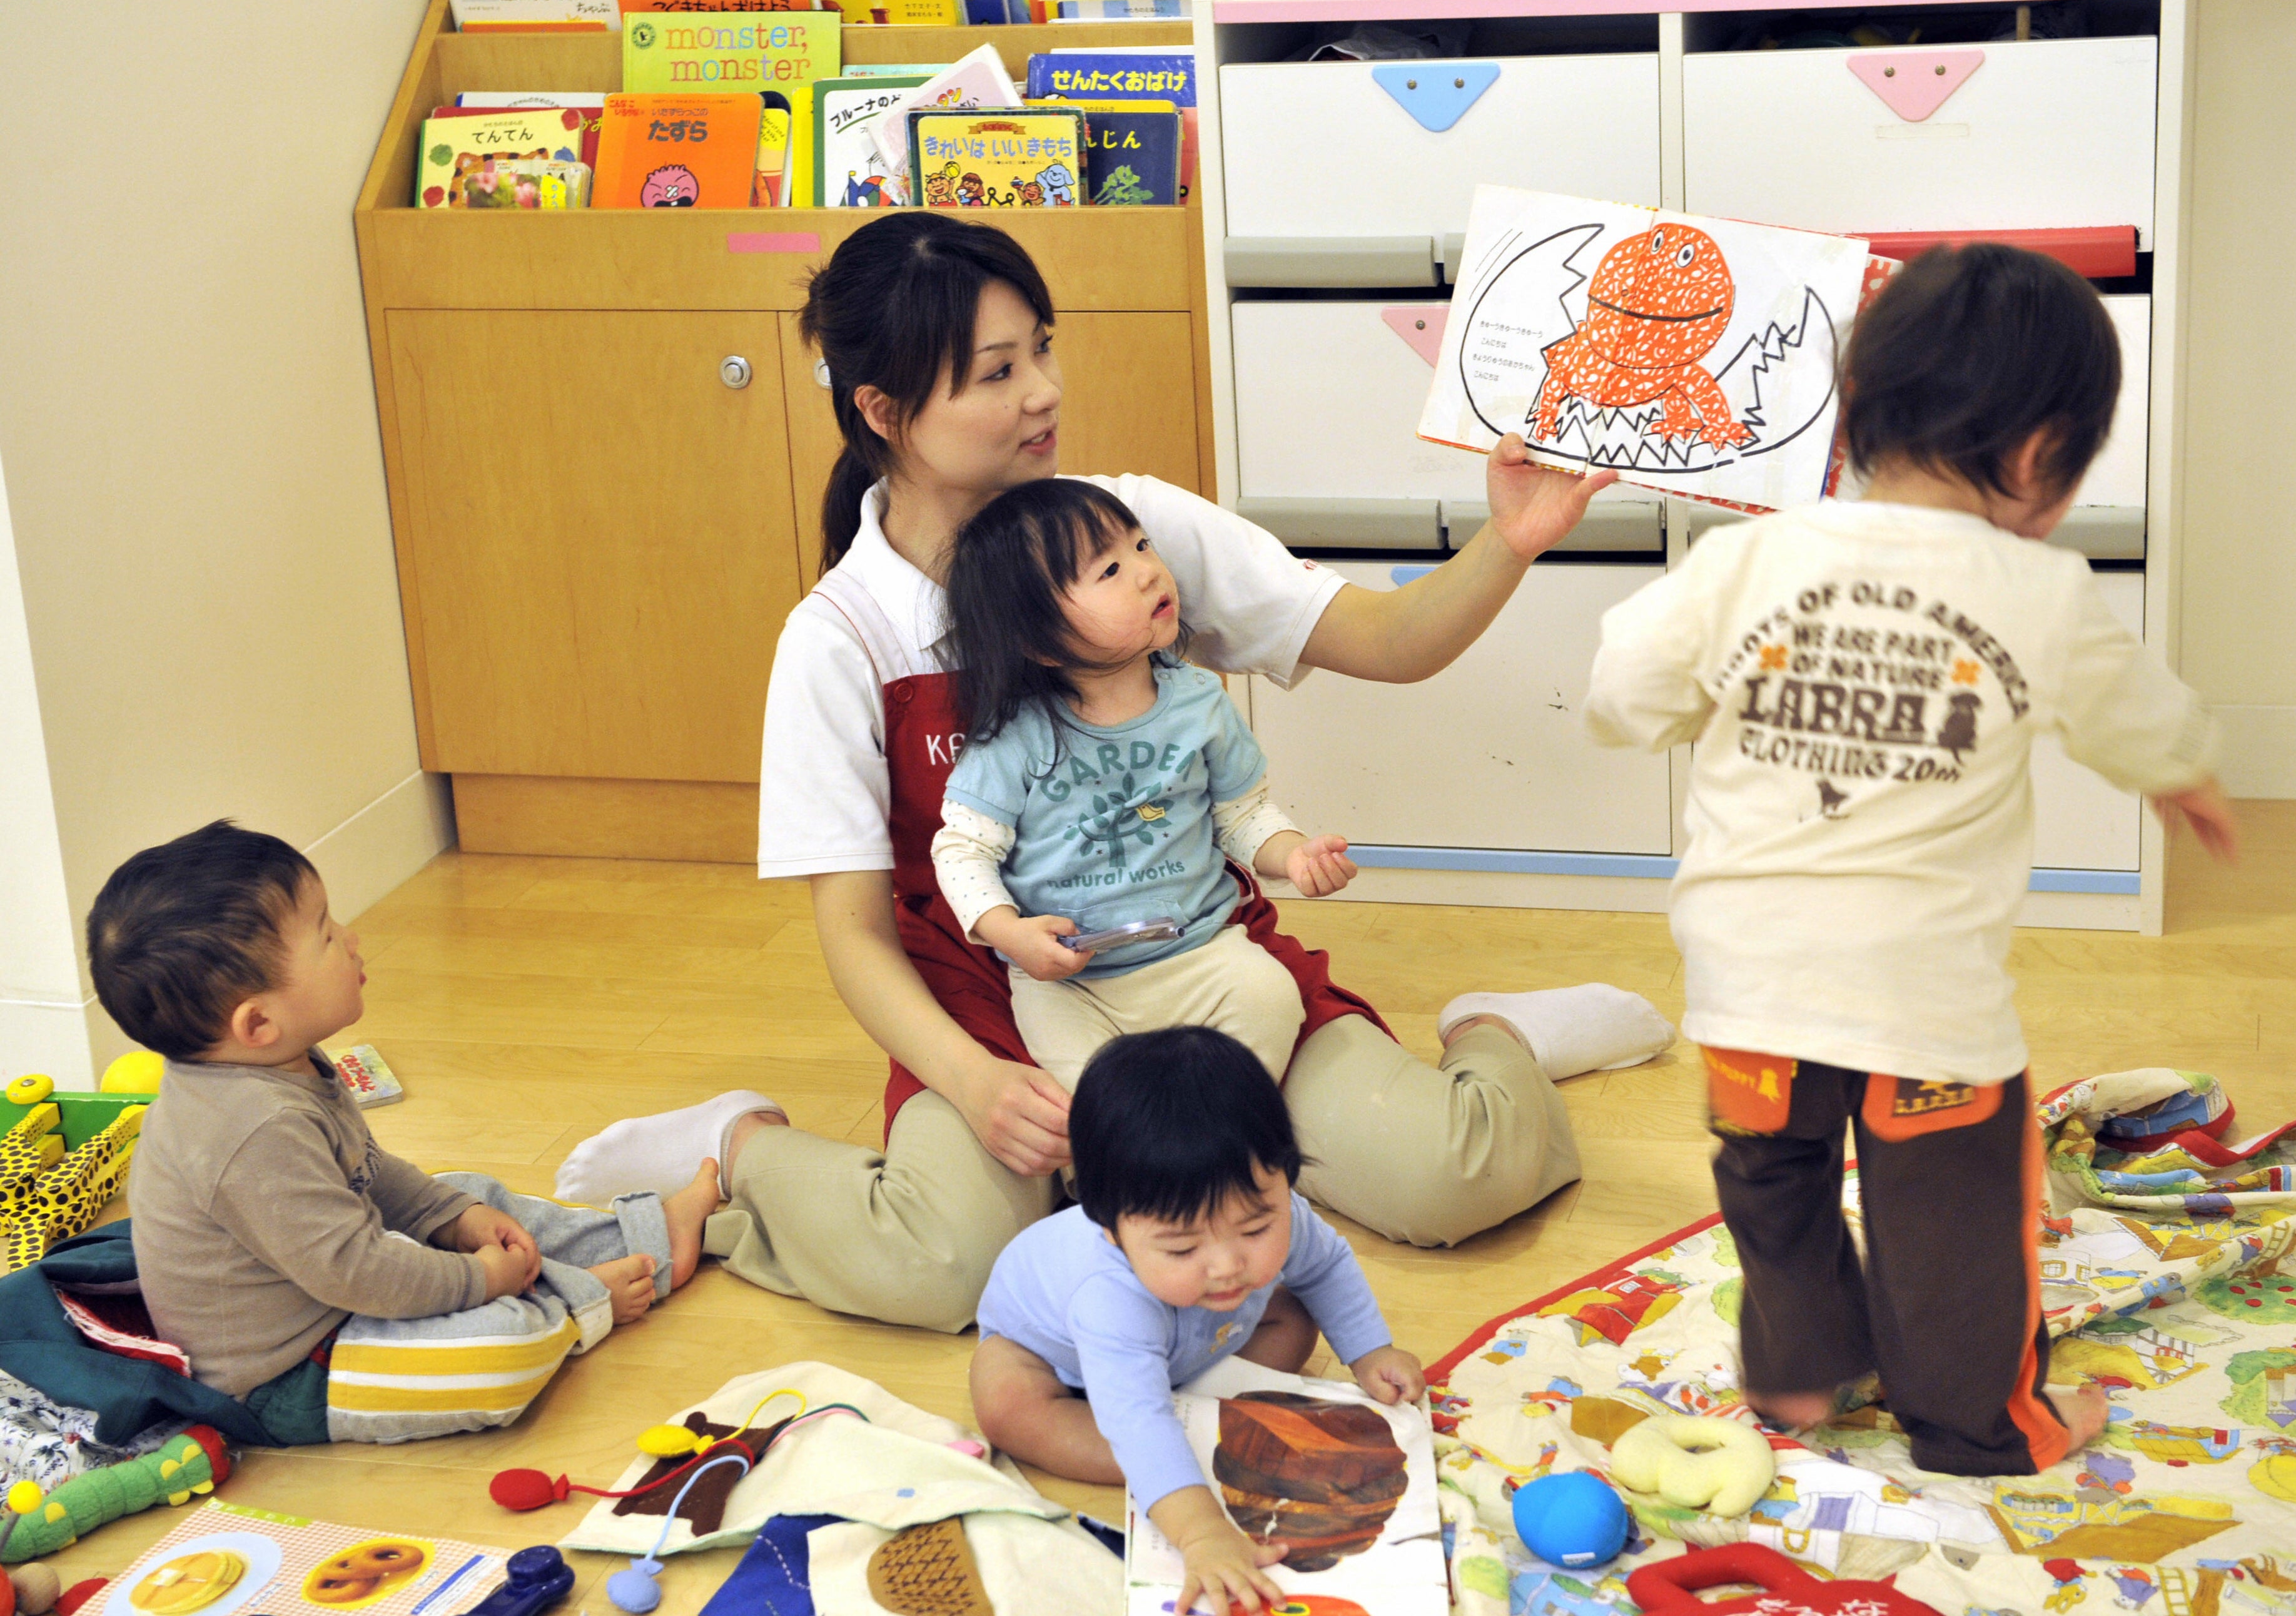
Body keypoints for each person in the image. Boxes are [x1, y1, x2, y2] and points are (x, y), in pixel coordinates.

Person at [555, 212, 1673, 1332]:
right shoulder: (839, 637)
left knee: (1454, 1177)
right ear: (884, 413)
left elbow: (1388, 640)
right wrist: (975, 1079)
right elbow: (852, 932)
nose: (1042, 390)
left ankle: (1500, 1035)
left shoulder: (1129, 530)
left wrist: (1512, 540)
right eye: (997, 371)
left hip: (1198, 972)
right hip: (993, 1008)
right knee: (946, 1269)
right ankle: (738, 1145)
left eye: (1042, 348)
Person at [1581, 242, 2239, 1476]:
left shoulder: (1743, 558)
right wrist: (2186, 775)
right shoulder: (2034, 590)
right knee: (1949, 1219)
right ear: (2040, 454)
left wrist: (1691, 706)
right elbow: (2135, 713)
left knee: (1770, 1184)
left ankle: (1796, 1374)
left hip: (1744, 981)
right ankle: (1976, 1424)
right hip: (1922, 999)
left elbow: (1622, 689)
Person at [94, 821, 719, 1446]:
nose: (352, 939)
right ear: (258, 1022)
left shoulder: (276, 1066)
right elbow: (361, 1273)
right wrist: (483, 1280)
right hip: (295, 1374)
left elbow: (368, 1170)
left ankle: (648, 1238)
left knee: (463, 1192)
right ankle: (578, 1306)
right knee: (500, 1350)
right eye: (326, 935)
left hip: (338, 1289)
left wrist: (456, 1219)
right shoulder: (254, 1130)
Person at [970, 1027, 1425, 1615]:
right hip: (1054, 1360)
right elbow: (1133, 1419)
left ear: (1284, 1178)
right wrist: (1203, 1533)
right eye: (1182, 1249)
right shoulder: (1109, 1295)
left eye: (1256, 1228)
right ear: (1110, 1228)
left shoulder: (1278, 1213)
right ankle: (1177, 1453)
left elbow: (1328, 1265)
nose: (1226, 1265)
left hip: (1196, 1343)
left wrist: (1370, 1350)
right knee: (1006, 1401)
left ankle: (1188, 1425)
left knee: (1294, 1316)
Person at [931, 477, 1359, 1089]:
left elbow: (1239, 817)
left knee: (1269, 997)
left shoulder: (1199, 703)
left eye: (1140, 545)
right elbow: (962, 850)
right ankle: (1149, 1161)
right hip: (1072, 988)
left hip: (1200, 954)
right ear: (1036, 641)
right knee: (1087, 1096)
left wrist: (1294, 855)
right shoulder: (1013, 738)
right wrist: (1008, 931)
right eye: (1107, 570)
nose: (1145, 572)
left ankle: (1206, 1140)